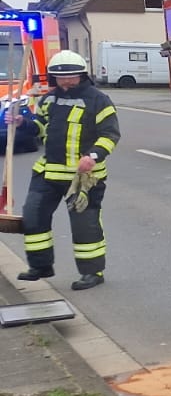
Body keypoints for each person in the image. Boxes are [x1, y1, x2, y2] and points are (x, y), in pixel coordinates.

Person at [12, 51, 119, 291]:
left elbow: (110, 134)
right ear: (54, 78)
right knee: (33, 216)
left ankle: (93, 273)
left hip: (84, 179)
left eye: (71, 77)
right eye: (61, 78)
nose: (67, 81)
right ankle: (40, 266)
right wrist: (23, 124)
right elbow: (40, 129)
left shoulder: (99, 100)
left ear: (82, 75)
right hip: (48, 173)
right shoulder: (48, 100)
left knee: (85, 224)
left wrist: (93, 156)